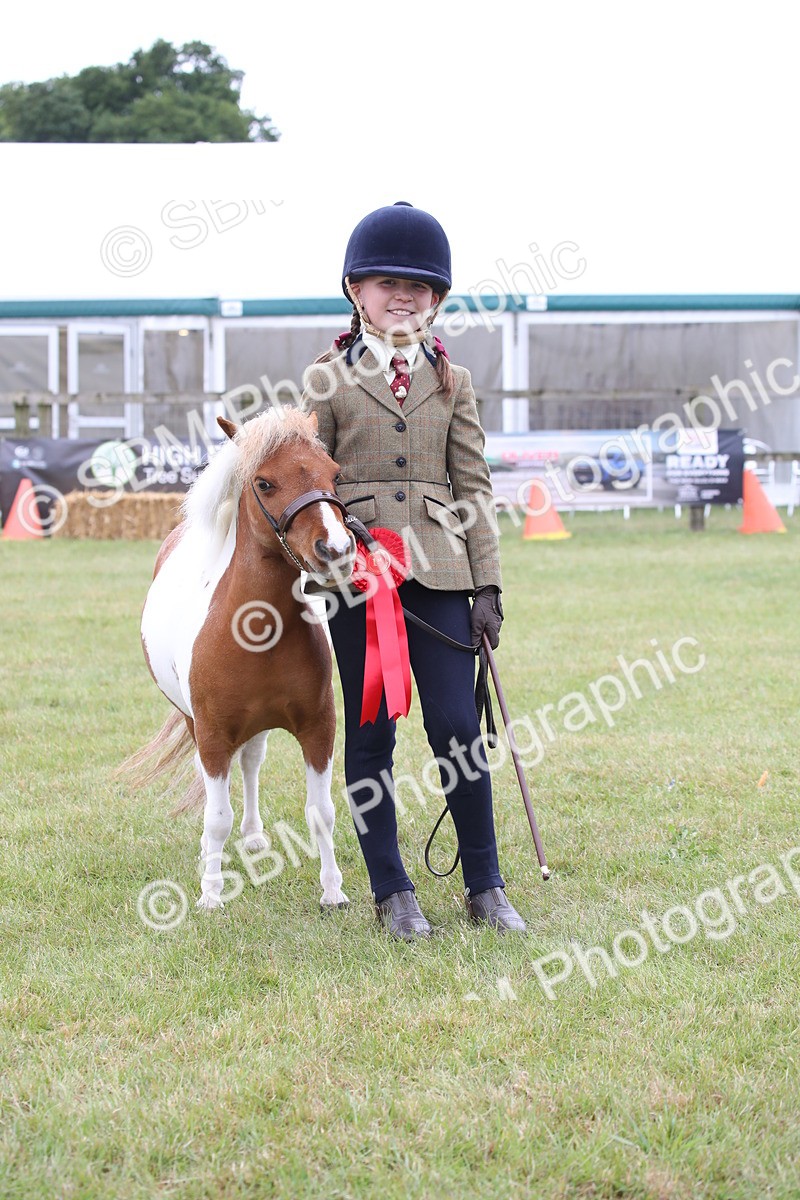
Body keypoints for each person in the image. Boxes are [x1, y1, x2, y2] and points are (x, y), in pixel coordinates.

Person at [301, 201, 526, 940]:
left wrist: (487, 582)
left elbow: (474, 482)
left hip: (442, 576)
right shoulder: (326, 379)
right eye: (387, 282)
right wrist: (341, 543)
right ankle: (391, 890)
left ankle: (485, 884)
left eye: (419, 287)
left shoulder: (452, 380)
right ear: (356, 291)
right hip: (357, 578)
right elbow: (312, 480)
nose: (404, 295)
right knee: (369, 735)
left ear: (437, 299)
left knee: (461, 729)